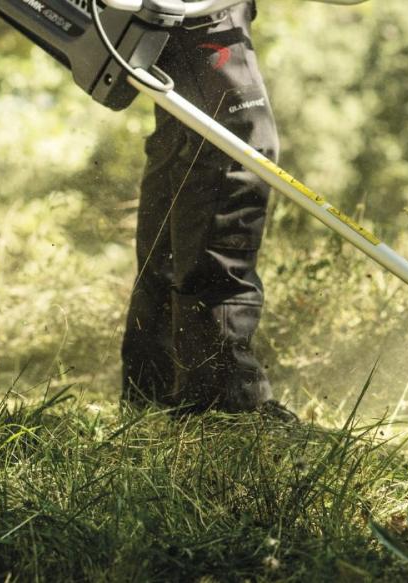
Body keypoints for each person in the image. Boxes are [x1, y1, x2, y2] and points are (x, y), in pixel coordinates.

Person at [120, 0, 296, 421]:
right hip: (199, 9)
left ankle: (157, 388)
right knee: (235, 146)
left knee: (189, 138)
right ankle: (222, 400)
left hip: (189, 13)